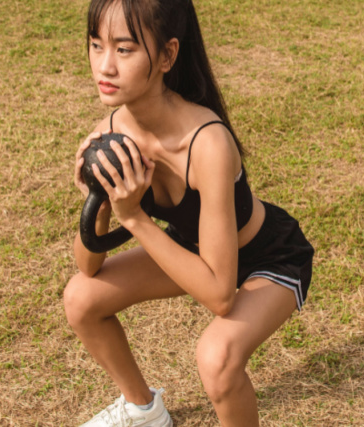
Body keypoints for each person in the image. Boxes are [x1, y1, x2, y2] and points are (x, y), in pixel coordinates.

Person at [63, 0, 314, 426]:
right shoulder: (111, 135)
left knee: (216, 359)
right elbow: (88, 267)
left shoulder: (207, 143)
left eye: (124, 50)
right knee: (80, 298)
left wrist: (135, 218)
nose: (105, 66)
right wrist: (100, 203)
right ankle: (144, 411)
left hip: (266, 257)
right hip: (194, 250)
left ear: (166, 55)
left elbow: (219, 295)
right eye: (95, 45)